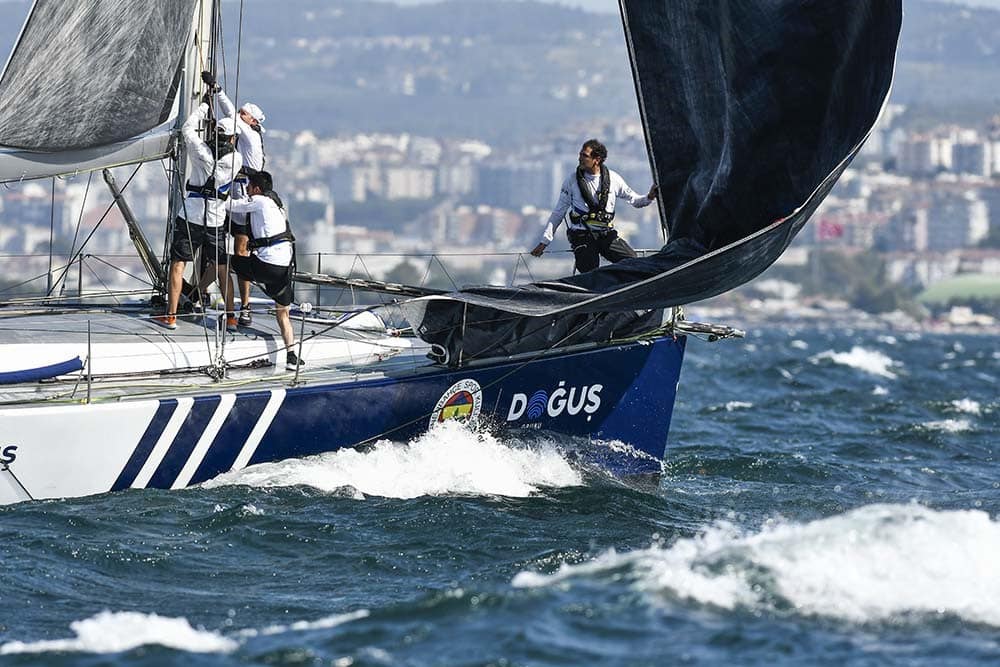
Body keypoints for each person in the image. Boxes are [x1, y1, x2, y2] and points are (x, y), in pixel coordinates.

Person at [155, 101, 243, 330]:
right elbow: (230, 137)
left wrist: (203, 107)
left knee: (178, 265)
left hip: (190, 217)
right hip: (215, 220)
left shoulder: (200, 151)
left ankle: (171, 316)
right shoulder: (236, 161)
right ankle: (231, 317)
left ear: (215, 134)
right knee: (222, 268)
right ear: (233, 139)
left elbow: (187, 129)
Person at [530, 139, 658, 273]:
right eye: (580, 154)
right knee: (590, 272)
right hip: (582, 237)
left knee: (632, 261)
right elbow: (558, 213)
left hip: (606, 235)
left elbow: (635, 200)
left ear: (596, 159)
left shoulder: (614, 179)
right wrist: (544, 242)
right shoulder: (571, 181)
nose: (579, 158)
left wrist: (650, 196)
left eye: (584, 155)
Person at [202, 71, 267, 327]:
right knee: (216, 250)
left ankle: (245, 306)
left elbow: (230, 115)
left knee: (240, 253)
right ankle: (199, 291)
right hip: (232, 198)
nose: (239, 116)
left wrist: (217, 91)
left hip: (241, 204)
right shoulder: (248, 134)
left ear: (251, 120)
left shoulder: (249, 135)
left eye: (243, 114)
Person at [225, 171, 304, 370]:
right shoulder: (278, 205)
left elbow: (233, 206)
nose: (248, 191)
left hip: (267, 266)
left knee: (222, 263)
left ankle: (218, 306)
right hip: (285, 268)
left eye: (249, 187)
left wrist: (212, 194)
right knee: (283, 313)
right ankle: (292, 356)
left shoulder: (259, 201)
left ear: (257, 189)